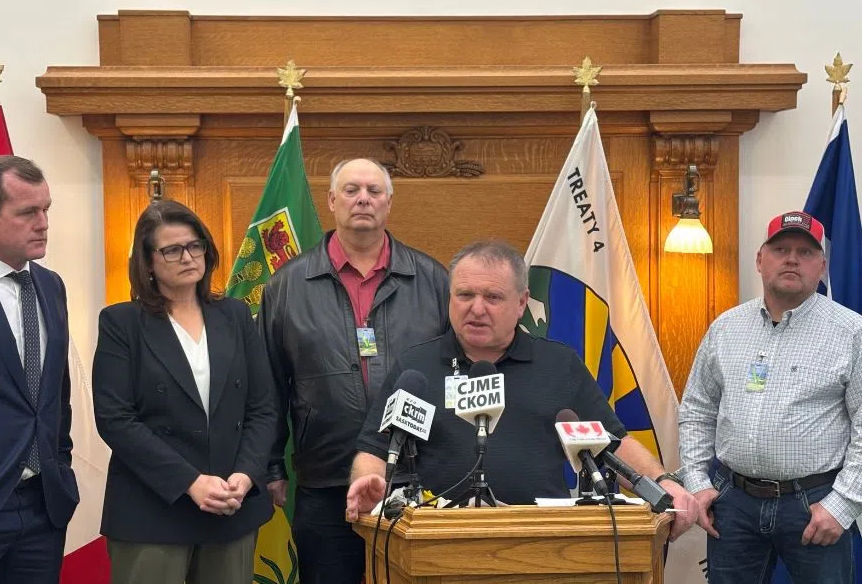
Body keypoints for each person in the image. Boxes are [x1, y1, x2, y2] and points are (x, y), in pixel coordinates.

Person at [347, 240, 698, 542]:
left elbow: (612, 443)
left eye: (493, 297)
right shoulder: (415, 367)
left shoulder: (558, 363)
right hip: (433, 539)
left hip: (543, 540)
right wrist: (368, 481)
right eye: (465, 295)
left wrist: (661, 482)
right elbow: (375, 449)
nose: (477, 308)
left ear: (521, 303)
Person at [257, 158, 450, 583]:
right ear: (331, 200)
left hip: (419, 478)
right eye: (351, 190)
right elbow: (267, 385)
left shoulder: (433, 279)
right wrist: (271, 467)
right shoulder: (286, 286)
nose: (363, 198)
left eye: (373, 190)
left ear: (389, 203)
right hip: (325, 477)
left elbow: (455, 373)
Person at [92, 200, 279, 584]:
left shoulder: (236, 315)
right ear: (147, 262)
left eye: (195, 245)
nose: (188, 257)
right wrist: (190, 482)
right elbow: (115, 419)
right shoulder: (121, 323)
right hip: (153, 510)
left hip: (231, 504)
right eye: (172, 249)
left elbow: (263, 407)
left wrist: (246, 473)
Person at [679, 210, 862, 583]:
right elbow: (697, 410)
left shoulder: (852, 333)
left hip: (814, 504)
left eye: (805, 252)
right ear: (761, 260)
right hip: (733, 503)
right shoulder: (725, 329)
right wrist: (697, 483)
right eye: (780, 249)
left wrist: (842, 503)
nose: (792, 259)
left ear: (822, 267)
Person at [0, 155, 79, 584]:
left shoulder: (50, 284)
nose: (43, 223)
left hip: (42, 508)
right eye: (27, 212)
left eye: (46, 210)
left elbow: (57, 395)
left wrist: (61, 467)